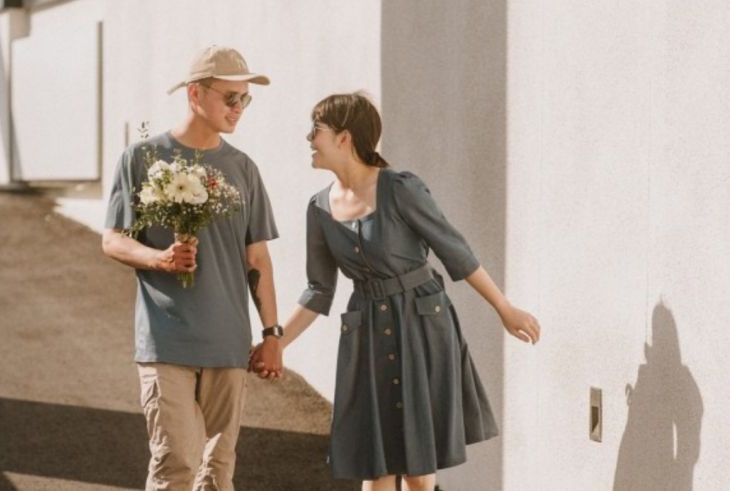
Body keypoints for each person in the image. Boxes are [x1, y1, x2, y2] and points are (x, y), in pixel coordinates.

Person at [251, 92, 541, 491]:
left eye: (315, 130)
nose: (308, 138)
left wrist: (504, 308)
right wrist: (277, 341)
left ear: (344, 138)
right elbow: (319, 290)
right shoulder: (318, 208)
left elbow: (455, 251)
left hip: (421, 328)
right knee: (380, 461)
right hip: (367, 332)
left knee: (417, 468)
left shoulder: (400, 189)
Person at [102, 45, 283, 491]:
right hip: (167, 339)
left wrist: (272, 335)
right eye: (231, 98)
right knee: (175, 465)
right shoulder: (141, 159)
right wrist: (158, 259)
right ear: (195, 95)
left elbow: (256, 259)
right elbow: (112, 239)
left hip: (228, 344)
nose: (239, 108)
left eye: (245, 99)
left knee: (218, 474)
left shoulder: (243, 169)